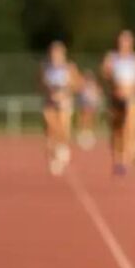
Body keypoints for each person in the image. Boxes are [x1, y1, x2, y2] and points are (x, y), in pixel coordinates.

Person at [100, 30, 135, 175]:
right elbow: (103, 73)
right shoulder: (111, 57)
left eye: (127, 41)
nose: (124, 44)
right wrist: (108, 73)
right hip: (116, 98)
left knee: (130, 127)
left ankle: (127, 159)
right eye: (122, 41)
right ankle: (117, 158)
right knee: (117, 130)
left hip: (132, 98)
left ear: (132, 43)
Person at [40, 41, 82, 176]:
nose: (55, 56)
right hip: (49, 103)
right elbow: (39, 84)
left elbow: (78, 85)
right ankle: (53, 155)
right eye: (53, 53)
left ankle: (62, 148)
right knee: (51, 128)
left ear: (63, 54)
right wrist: (49, 91)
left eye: (58, 53)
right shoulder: (45, 67)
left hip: (65, 103)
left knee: (63, 128)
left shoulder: (70, 68)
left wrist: (66, 90)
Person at [76, 69, 103, 150]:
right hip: (84, 103)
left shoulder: (94, 85)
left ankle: (90, 134)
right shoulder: (82, 84)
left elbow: (98, 92)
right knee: (83, 118)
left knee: (91, 118)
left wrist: (98, 100)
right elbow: (79, 91)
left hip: (92, 103)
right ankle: (83, 133)